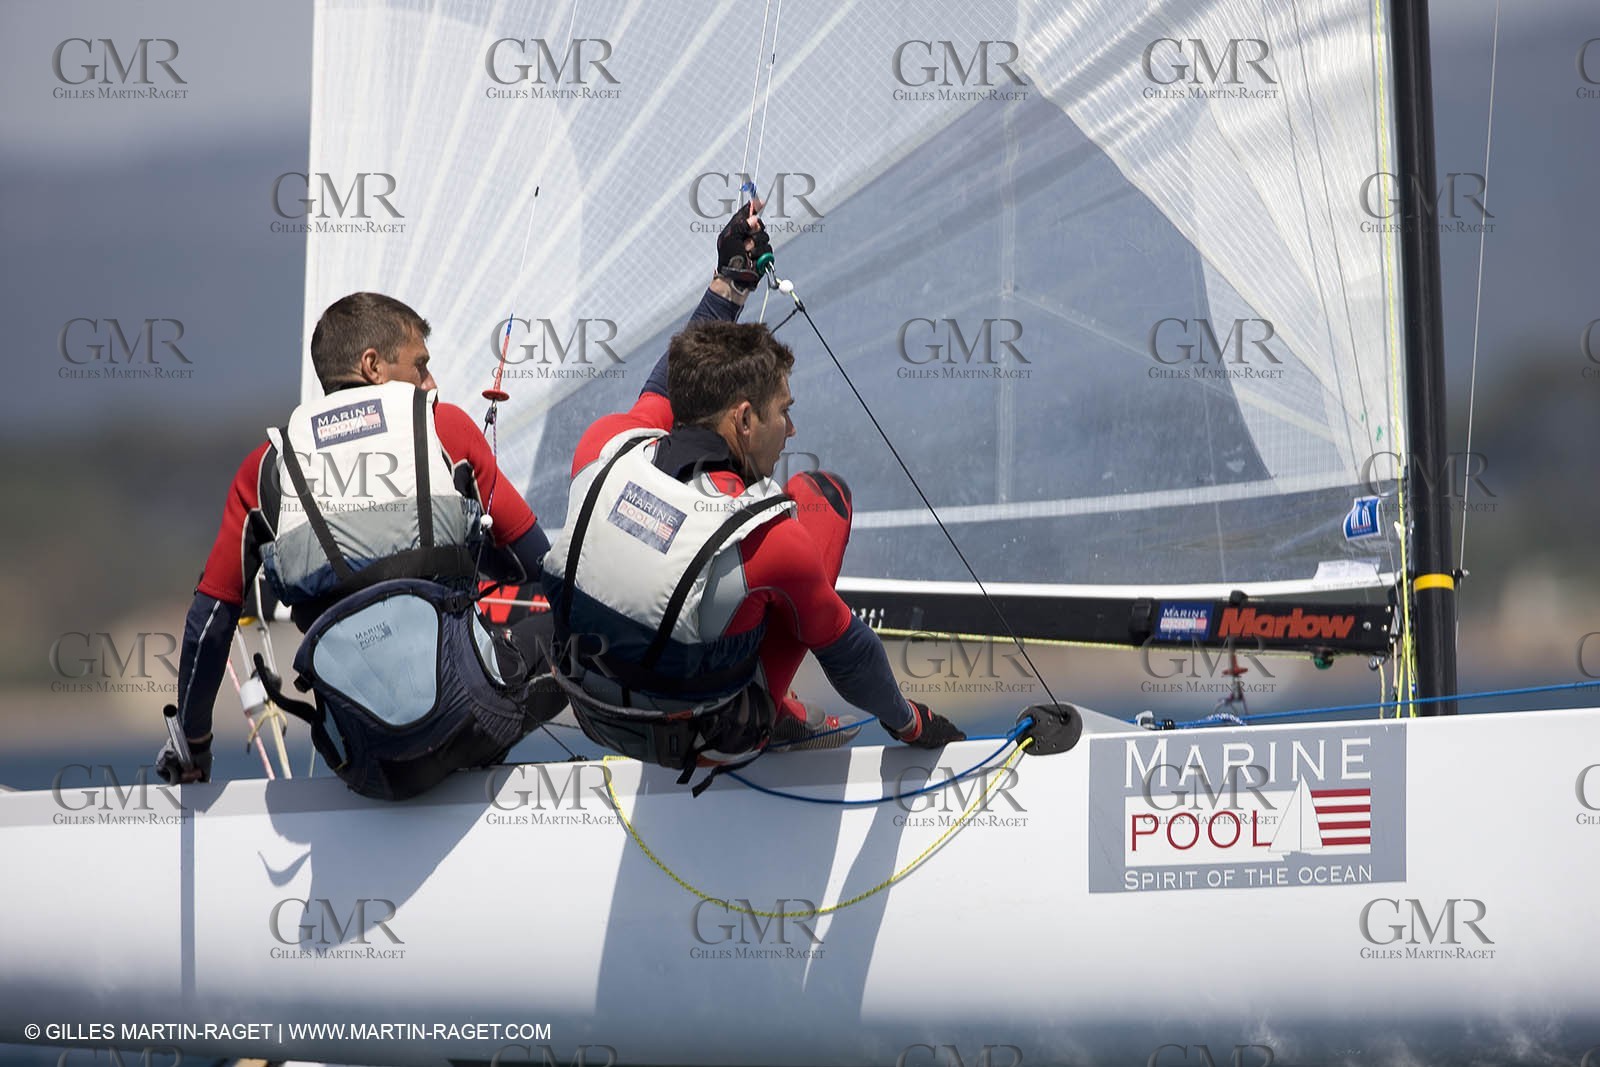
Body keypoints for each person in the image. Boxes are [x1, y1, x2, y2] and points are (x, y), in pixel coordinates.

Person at [540, 204, 964, 793]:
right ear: (744, 419)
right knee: (818, 499)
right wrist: (914, 724)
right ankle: (778, 714)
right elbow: (853, 658)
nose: (792, 430)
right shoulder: (766, 538)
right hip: (704, 740)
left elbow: (668, 386)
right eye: (783, 412)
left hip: (588, 712)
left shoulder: (603, 444)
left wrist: (730, 285)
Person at [156, 292, 563, 799]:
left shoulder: (264, 471)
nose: (431, 382)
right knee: (568, 618)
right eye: (420, 366)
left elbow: (207, 626)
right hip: (469, 723)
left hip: (363, 763)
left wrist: (194, 746)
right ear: (372, 365)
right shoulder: (445, 427)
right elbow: (541, 566)